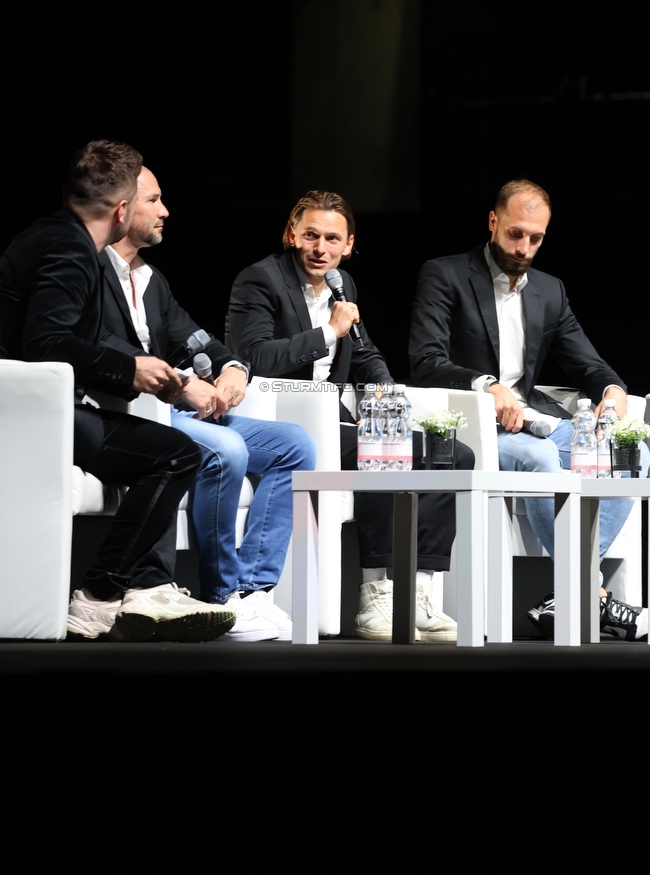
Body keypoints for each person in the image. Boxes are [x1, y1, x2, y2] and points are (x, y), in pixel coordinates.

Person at [0, 141, 236, 642]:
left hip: (41, 408)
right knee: (174, 456)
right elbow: (44, 342)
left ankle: (119, 591)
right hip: (28, 416)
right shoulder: (70, 249)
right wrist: (127, 368)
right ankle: (99, 596)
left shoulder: (56, 235)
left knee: (171, 451)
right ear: (122, 209)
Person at [226, 189, 475, 643]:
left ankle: (417, 592)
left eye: (332, 239)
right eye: (311, 236)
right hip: (287, 423)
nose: (321, 248)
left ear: (349, 244)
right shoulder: (259, 279)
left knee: (451, 455)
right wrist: (328, 331)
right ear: (291, 234)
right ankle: (375, 598)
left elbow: (363, 352)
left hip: (337, 420)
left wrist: (382, 390)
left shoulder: (344, 285)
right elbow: (254, 356)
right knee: (381, 451)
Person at [409, 178, 649, 641]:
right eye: (515, 234)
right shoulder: (445, 274)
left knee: (632, 453)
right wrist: (487, 386)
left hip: (535, 419)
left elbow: (588, 363)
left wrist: (614, 390)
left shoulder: (549, 290)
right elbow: (425, 361)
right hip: (475, 423)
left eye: (535, 238)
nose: (523, 247)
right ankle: (588, 594)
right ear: (493, 222)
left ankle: (572, 594)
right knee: (540, 462)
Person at [101, 167, 317, 642]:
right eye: (154, 200)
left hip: (177, 409)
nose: (165, 210)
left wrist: (233, 368)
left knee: (295, 445)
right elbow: (105, 349)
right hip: (136, 410)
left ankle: (253, 588)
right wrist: (181, 384)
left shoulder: (150, 278)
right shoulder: (93, 271)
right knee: (228, 449)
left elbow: (194, 336)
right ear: (122, 206)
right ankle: (220, 598)